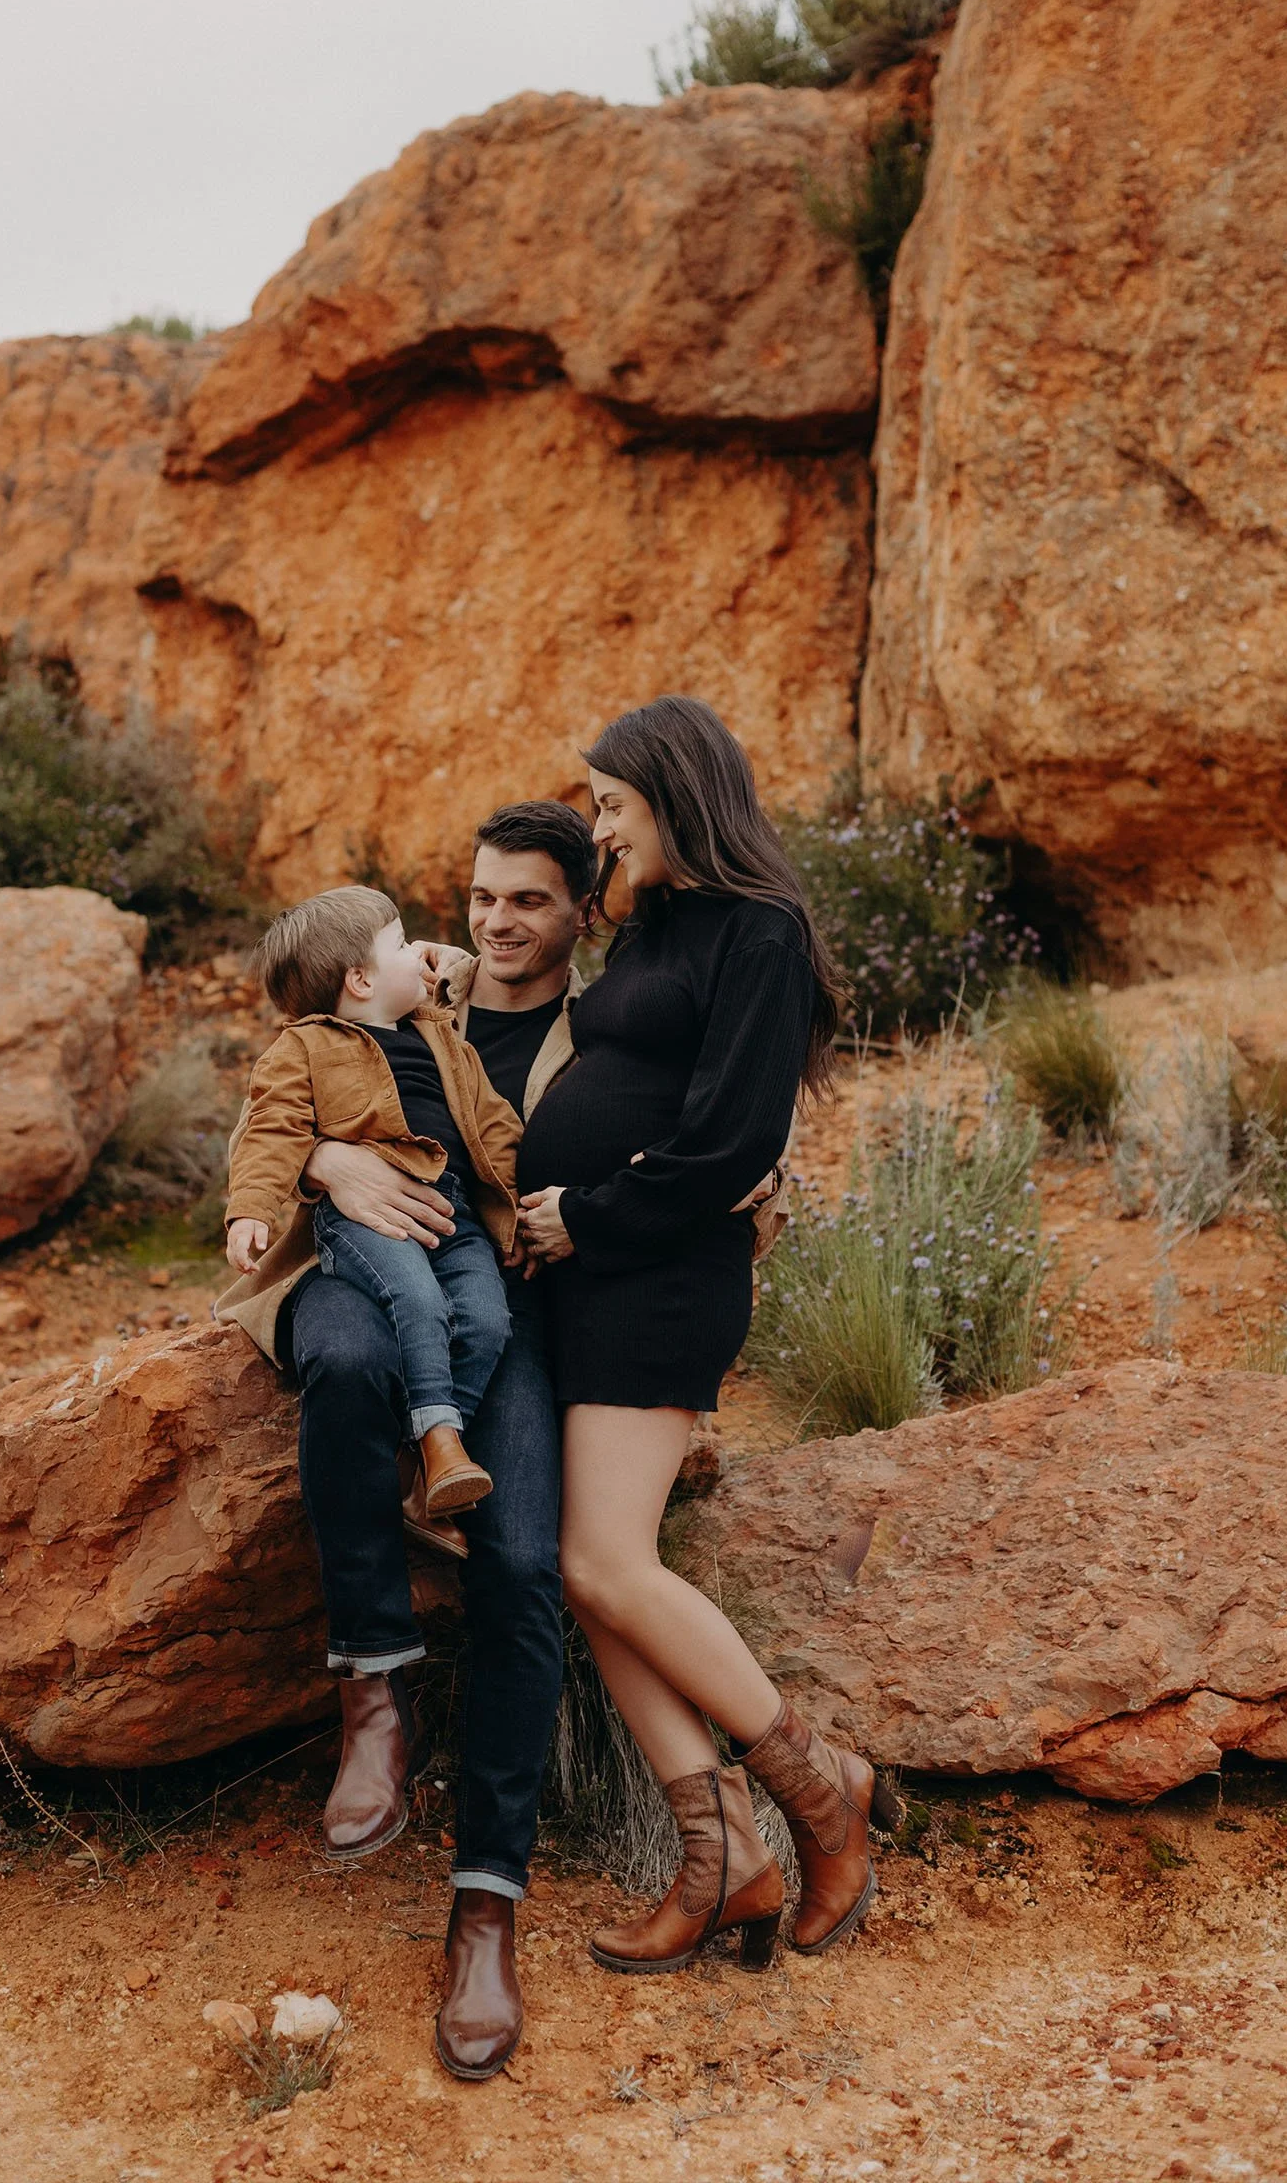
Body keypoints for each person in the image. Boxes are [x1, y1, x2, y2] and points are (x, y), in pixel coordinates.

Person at [516, 696, 903, 1978]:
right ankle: (722, 1855)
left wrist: (589, 1214)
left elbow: (736, 1139)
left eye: (613, 806)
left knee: (609, 1564)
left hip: (656, 1274)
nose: (601, 830)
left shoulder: (761, 931)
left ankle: (816, 1791)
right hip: (587, 1273)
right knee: (588, 1567)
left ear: (675, 794)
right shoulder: (658, 921)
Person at [216, 800, 595, 2082]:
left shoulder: (609, 1021)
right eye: (481, 897)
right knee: (346, 1355)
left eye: (529, 901)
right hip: (355, 1262)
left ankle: (486, 1899)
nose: (493, 923)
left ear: (580, 912)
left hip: (499, 1285)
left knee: (527, 1566)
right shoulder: (417, 978)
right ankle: (370, 1683)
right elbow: (295, 1064)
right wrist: (322, 1159)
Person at [224, 886, 519, 1522]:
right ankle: (440, 1444)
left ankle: (428, 1464)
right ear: (360, 979)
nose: (420, 952)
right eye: (403, 943)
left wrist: (518, 1206)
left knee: (487, 1320)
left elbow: (492, 1125)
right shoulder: (304, 1047)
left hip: (457, 1218)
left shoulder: (441, 1040)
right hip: (365, 1220)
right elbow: (272, 1124)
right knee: (418, 1303)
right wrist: (252, 1206)